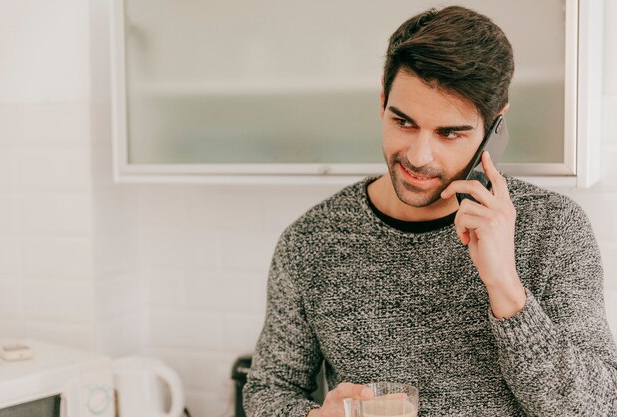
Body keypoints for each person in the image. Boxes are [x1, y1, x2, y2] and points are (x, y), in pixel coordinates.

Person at [243, 5, 617, 417]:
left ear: (495, 127)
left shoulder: (552, 229)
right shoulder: (311, 241)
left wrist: (506, 287)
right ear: (383, 101)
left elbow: (597, 408)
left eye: (449, 133)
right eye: (403, 122)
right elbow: (266, 392)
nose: (419, 156)